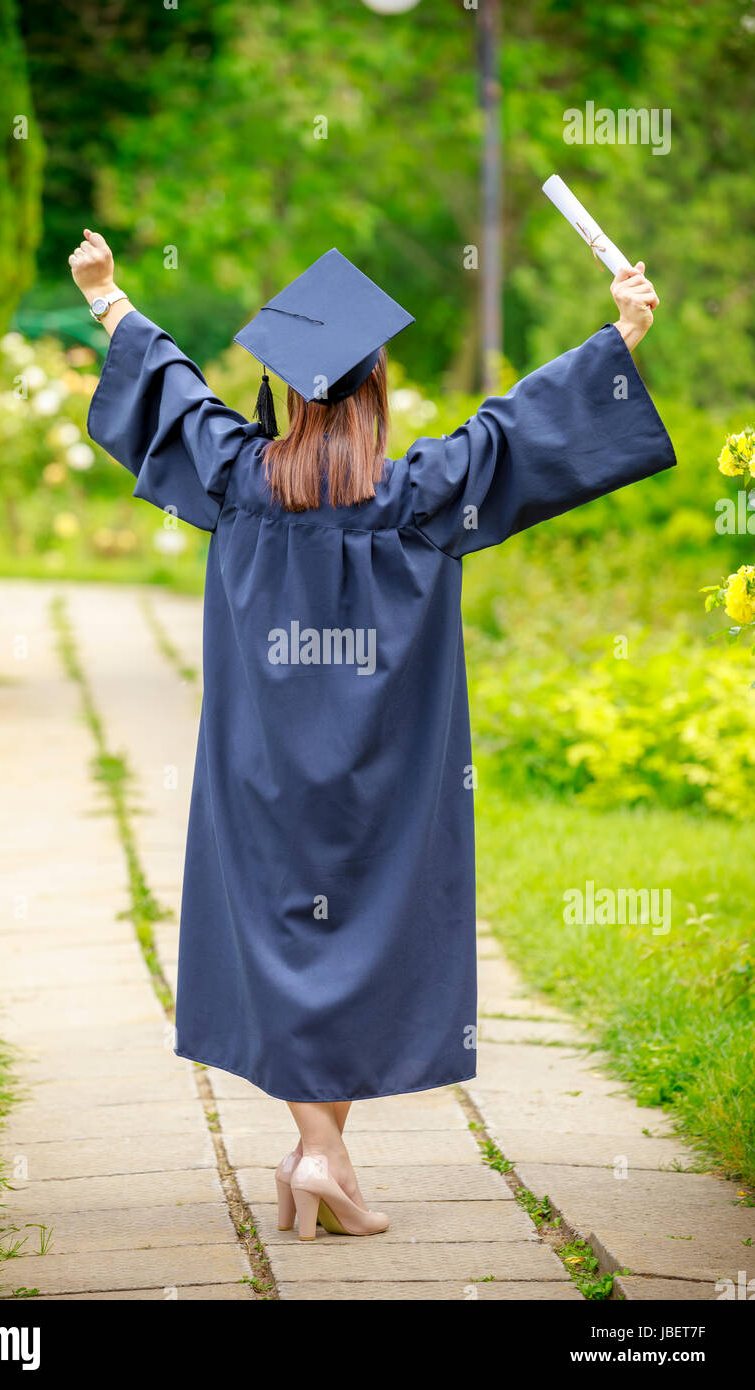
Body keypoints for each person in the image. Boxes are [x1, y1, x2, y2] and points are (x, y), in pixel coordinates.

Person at [69, 230, 673, 1240]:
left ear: (298, 394)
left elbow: (168, 390)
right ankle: (320, 1154)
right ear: (375, 390)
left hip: (261, 773)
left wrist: (107, 299)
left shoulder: (235, 477)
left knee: (281, 929)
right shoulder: (422, 495)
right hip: (388, 783)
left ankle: (318, 1152)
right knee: (362, 932)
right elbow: (518, 428)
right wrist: (621, 332)